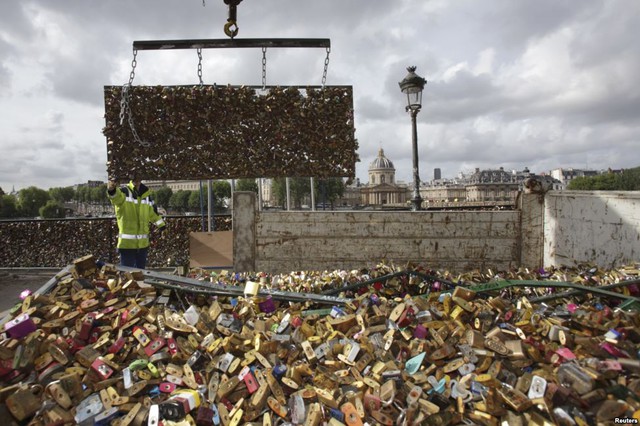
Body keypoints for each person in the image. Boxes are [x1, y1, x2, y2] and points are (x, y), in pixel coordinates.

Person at [107, 176, 166, 268]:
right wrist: (112, 190)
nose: (137, 179)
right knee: (127, 276)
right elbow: (115, 197)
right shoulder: (124, 191)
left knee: (140, 275)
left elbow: (152, 214)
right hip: (127, 245)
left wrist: (162, 226)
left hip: (142, 245)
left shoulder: (146, 195)